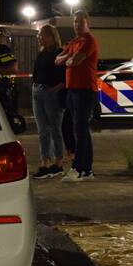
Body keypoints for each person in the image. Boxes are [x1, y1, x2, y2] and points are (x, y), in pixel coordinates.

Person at [55, 10, 99, 181]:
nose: (76, 24)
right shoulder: (75, 41)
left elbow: (75, 61)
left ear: (87, 22)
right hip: (72, 89)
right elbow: (58, 60)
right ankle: (87, 170)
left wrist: (69, 58)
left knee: (79, 130)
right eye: (74, 21)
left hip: (85, 90)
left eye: (80, 22)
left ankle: (78, 168)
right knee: (77, 129)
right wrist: (69, 56)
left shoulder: (89, 41)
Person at [31, 25, 67, 178]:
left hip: (50, 92)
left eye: (41, 35)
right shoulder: (42, 53)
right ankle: (44, 162)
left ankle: (58, 163)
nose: (39, 37)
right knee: (42, 131)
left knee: (55, 128)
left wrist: (56, 88)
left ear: (51, 36)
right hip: (37, 91)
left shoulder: (59, 53)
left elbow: (65, 75)